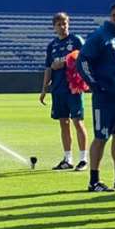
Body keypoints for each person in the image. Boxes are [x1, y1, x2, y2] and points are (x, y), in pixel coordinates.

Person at [76, 1, 115, 192]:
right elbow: (83, 60)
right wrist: (94, 84)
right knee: (101, 136)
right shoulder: (99, 36)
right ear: (112, 16)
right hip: (105, 97)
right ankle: (94, 180)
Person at [40, 12, 88, 171]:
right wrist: (44, 88)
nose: (62, 27)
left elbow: (84, 58)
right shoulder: (51, 45)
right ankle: (67, 158)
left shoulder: (76, 40)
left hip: (73, 88)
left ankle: (83, 158)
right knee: (63, 123)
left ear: (69, 24)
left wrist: (65, 61)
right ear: (54, 27)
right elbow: (48, 67)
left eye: (65, 23)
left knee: (77, 121)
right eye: (59, 24)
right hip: (58, 88)